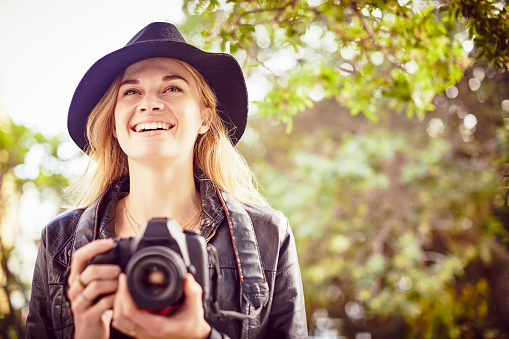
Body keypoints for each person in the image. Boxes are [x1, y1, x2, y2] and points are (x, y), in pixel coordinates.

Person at [26, 22, 307, 339]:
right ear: (115, 125)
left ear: (205, 117)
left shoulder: (268, 235)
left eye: (173, 88)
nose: (149, 103)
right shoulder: (60, 240)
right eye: (131, 92)